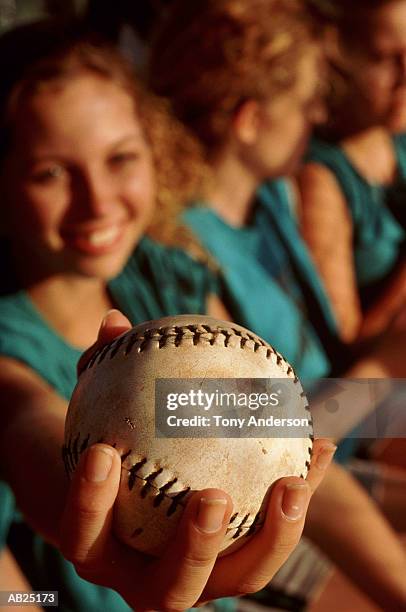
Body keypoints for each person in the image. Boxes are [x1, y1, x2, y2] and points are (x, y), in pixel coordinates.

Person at [0, 18, 335, 612]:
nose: (98, 201)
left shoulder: (161, 274)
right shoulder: (10, 346)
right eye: (50, 172)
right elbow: (30, 430)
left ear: (155, 150)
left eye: (120, 158)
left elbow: (260, 419)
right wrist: (91, 508)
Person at [148, 0, 406, 608]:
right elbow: (263, 441)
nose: (319, 115)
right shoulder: (182, 250)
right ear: (249, 120)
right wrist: (386, 365)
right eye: (305, 102)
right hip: (271, 492)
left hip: (340, 436)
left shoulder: (270, 202)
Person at [298, 0, 406, 344]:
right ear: (339, 56)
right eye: (387, 58)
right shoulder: (321, 175)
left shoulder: (396, 136)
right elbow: (347, 347)